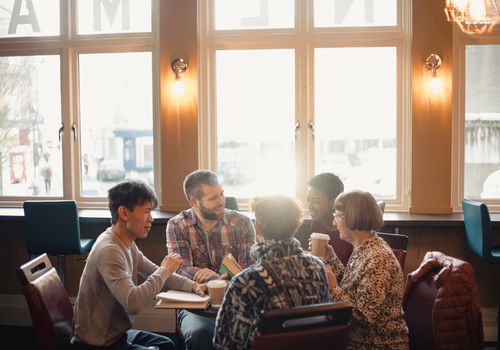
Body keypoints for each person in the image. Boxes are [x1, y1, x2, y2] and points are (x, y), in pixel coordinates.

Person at [71, 179, 205, 350]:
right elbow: (133, 303)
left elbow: (154, 272)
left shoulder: (125, 242)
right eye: (146, 211)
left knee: (166, 345)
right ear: (124, 213)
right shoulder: (109, 250)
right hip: (95, 345)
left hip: (117, 336)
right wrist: (164, 270)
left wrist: (195, 286)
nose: (151, 219)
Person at [213, 195, 332, 350]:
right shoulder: (317, 267)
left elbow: (224, 343)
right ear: (296, 225)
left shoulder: (247, 281)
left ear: (259, 227)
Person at [166, 169, 256, 350]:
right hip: (194, 305)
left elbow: (248, 270)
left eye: (222, 194)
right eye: (213, 198)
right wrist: (212, 277)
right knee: (200, 334)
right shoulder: (177, 225)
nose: (221, 201)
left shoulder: (243, 223)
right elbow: (179, 269)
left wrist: (214, 278)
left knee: (249, 332)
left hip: (236, 301)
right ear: (194, 201)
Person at [324, 190, 409, 350]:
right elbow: (352, 287)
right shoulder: (365, 247)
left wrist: (333, 288)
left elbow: (364, 318)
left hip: (376, 345)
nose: (334, 223)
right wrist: (331, 258)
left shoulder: (377, 258)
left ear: (350, 217)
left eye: (336, 215)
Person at [306, 172, 352, 265]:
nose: (309, 206)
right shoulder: (317, 221)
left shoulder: (349, 229)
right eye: (308, 200)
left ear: (333, 202)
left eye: (315, 201)